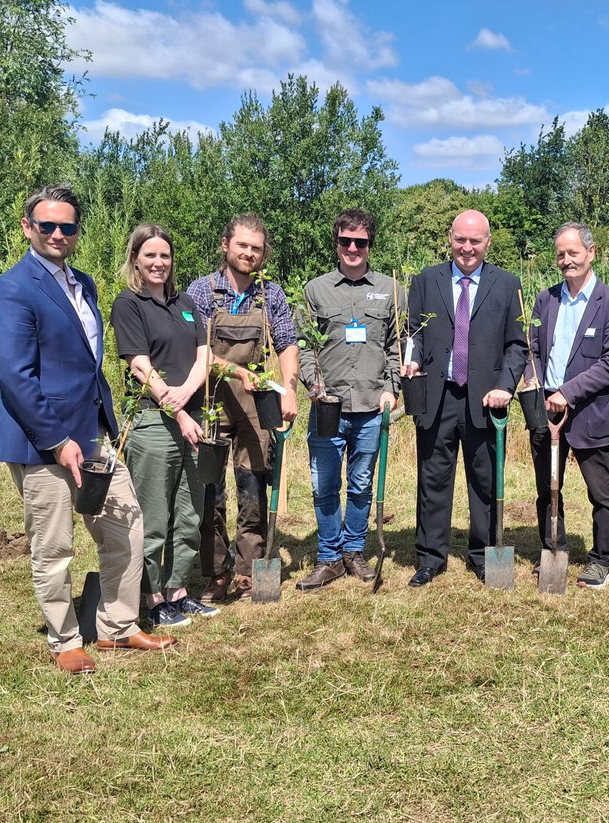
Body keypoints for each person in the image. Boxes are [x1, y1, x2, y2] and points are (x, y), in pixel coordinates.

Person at [0, 184, 176, 675]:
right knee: (55, 546)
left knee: (127, 529)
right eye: (46, 225)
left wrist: (94, 430)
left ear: (76, 232)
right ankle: (65, 639)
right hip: (39, 440)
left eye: (66, 226)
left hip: (92, 436)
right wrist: (56, 440)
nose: (56, 234)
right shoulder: (13, 288)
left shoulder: (84, 284)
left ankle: (117, 627)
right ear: (28, 228)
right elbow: (16, 377)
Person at [110, 224, 257, 627]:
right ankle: (153, 597)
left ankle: (178, 591)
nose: (159, 263)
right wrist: (174, 406)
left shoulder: (186, 303)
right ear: (136, 259)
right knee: (154, 517)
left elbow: (204, 357)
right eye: (150, 255)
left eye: (165, 256)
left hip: (194, 420)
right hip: (155, 423)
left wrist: (186, 397)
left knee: (191, 514)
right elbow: (139, 364)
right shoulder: (129, 304)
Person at [403, 209, 528, 585]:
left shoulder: (508, 285)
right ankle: (430, 557)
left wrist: (505, 386)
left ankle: (484, 554)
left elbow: (517, 345)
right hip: (436, 396)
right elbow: (414, 333)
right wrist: (410, 362)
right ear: (450, 239)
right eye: (460, 239)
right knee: (432, 479)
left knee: (485, 481)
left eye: (475, 240)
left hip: (486, 399)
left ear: (488, 242)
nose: (467, 248)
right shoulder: (426, 280)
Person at [188, 215, 299, 601]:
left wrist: (289, 390)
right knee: (210, 489)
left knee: (253, 484)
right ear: (225, 245)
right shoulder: (202, 291)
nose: (249, 253)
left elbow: (286, 343)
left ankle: (249, 568)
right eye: (242, 246)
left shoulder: (271, 294)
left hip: (254, 402)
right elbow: (197, 352)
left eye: (256, 248)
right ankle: (216, 572)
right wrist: (234, 370)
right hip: (209, 399)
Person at [295, 209, 399, 590]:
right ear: (336, 243)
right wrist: (313, 383)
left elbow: (396, 345)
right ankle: (329, 556)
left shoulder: (389, 289)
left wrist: (392, 387)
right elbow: (304, 345)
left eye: (361, 242)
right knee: (324, 484)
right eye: (345, 241)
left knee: (360, 484)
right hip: (328, 406)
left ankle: (354, 551)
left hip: (372, 405)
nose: (353, 248)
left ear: (370, 244)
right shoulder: (315, 289)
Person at [527, 222, 609, 589]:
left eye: (573, 252)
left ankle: (601, 560)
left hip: (589, 412)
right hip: (544, 408)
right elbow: (533, 350)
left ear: (591, 253)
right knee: (547, 488)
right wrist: (532, 380)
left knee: (599, 492)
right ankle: (553, 549)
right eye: (560, 253)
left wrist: (567, 393)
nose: (566, 260)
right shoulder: (546, 299)